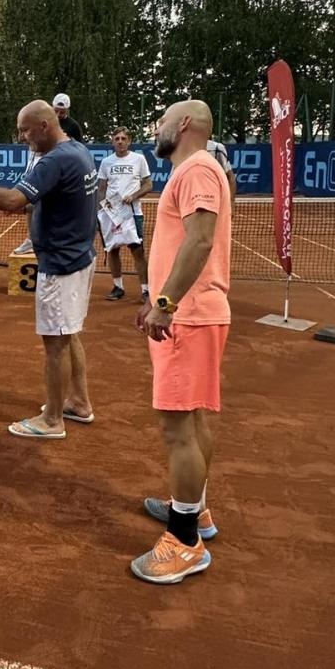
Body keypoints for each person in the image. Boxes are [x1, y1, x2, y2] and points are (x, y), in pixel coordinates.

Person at [0, 100, 98, 438]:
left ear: (44, 125)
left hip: (60, 263)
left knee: (55, 342)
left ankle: (53, 420)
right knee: (68, 334)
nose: (22, 137)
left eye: (25, 130)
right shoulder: (78, 151)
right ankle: (78, 402)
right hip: (79, 256)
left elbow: (13, 202)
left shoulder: (54, 160)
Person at [131, 99, 231, 584]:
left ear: (184, 124)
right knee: (191, 417)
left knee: (179, 430)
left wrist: (166, 304)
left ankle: (185, 540)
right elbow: (181, 244)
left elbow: (200, 241)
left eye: (163, 120)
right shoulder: (195, 170)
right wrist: (155, 295)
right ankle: (195, 510)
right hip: (186, 313)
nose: (157, 128)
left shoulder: (195, 169)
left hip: (187, 318)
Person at [97, 127, 153, 301]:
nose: (120, 141)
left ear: (129, 141)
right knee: (112, 249)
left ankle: (145, 290)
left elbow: (148, 184)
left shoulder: (139, 159)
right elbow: (101, 188)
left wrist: (134, 196)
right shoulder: (106, 162)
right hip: (111, 215)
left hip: (132, 212)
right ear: (112, 141)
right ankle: (118, 287)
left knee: (137, 251)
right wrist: (102, 210)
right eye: (117, 138)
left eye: (123, 138)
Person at [207, 138, 237, 208]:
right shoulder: (179, 148)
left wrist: (231, 202)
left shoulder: (216, 148)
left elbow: (230, 177)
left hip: (214, 203)